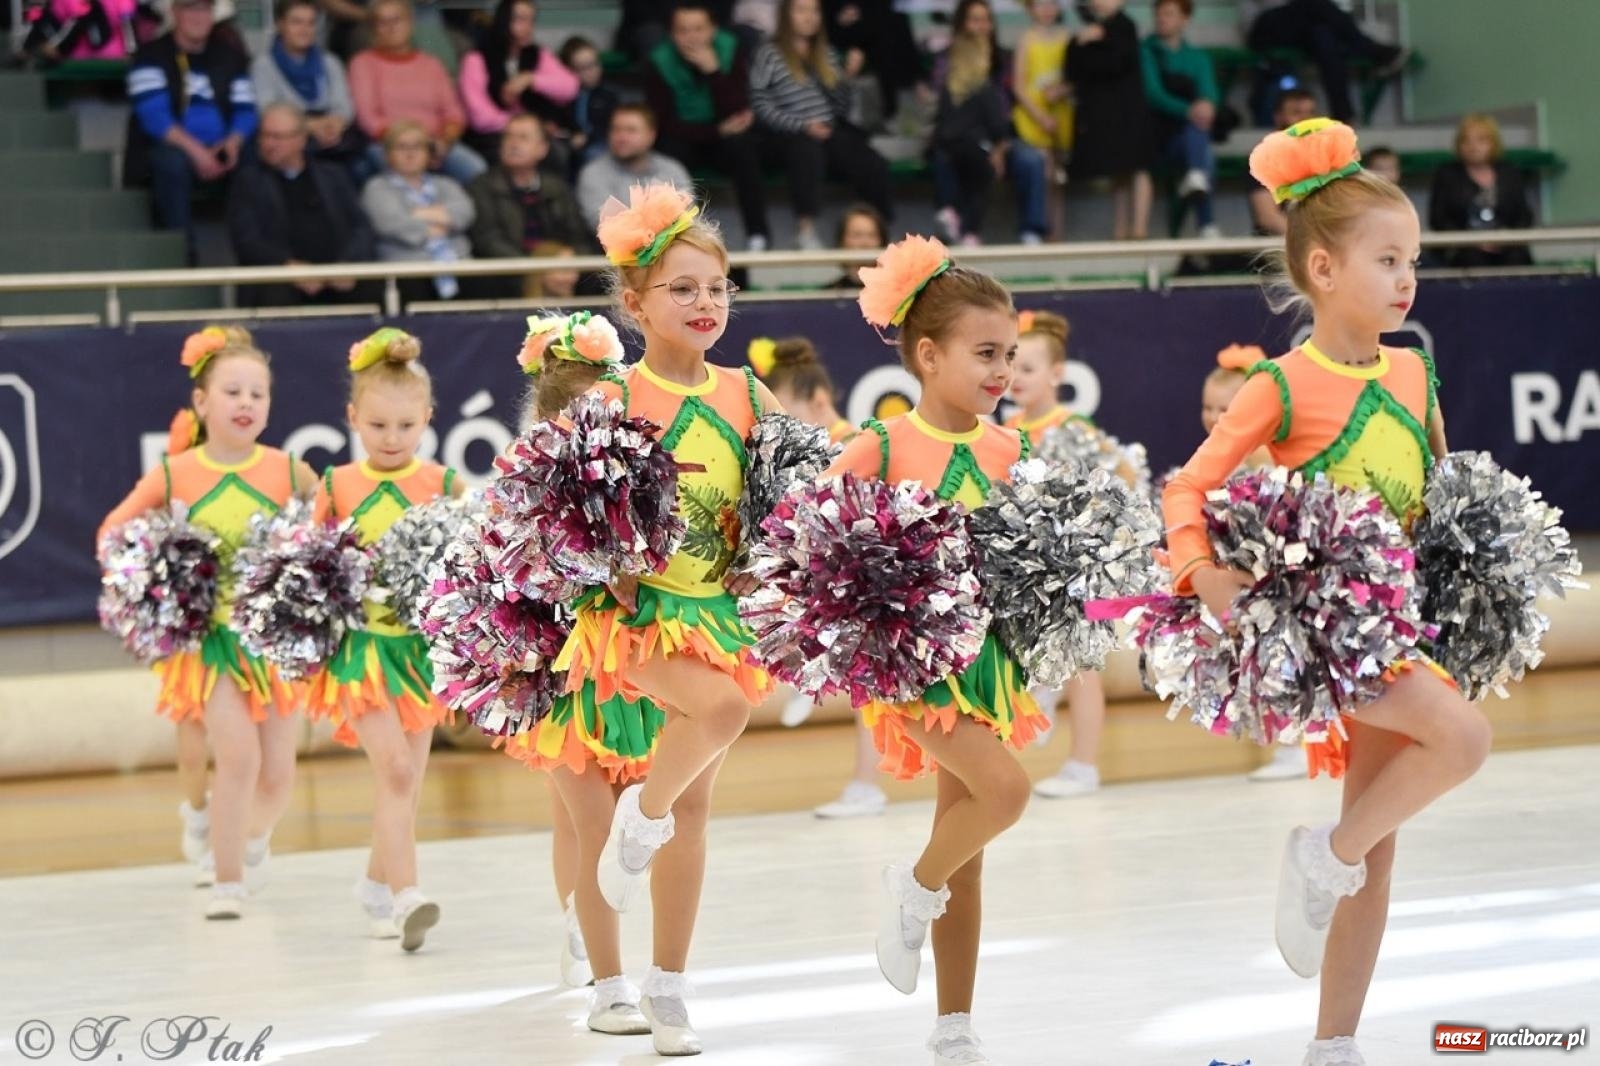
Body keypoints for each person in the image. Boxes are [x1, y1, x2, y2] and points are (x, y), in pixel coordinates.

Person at [1165, 118, 1491, 1066]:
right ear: (1321, 271)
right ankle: (1323, 853)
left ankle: (1333, 1043)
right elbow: (1189, 485)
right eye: (1388, 259)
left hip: (1404, 619)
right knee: (1462, 739)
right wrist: (1202, 573)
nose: (1407, 279)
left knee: (1380, 845)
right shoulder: (1280, 385)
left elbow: (1441, 494)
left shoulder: (1414, 370)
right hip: (1329, 630)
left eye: (1413, 260)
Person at [559, 182, 783, 1055]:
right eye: (681, 289)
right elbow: (559, 511)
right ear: (634, 303)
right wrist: (607, 565)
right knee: (707, 723)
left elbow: (784, 507)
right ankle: (609, 978)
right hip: (626, 617)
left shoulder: (749, 398)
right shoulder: (611, 396)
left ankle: (670, 988)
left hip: (714, 615)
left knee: (694, 814)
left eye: (717, 288)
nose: (704, 304)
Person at [829, 234, 1046, 1065]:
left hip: (987, 665)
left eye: (1011, 355)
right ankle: (912, 887)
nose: (1003, 372)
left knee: (973, 839)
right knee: (1007, 792)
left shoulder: (1011, 451)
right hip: (910, 669)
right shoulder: (879, 448)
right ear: (928, 354)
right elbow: (809, 547)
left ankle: (954, 1025)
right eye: (985, 353)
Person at [100, 327, 315, 920]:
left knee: (278, 777)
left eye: (258, 393)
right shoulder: (174, 475)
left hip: (272, 642)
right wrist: (149, 578)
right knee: (238, 757)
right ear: (201, 402)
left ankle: (248, 843)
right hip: (210, 643)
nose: (246, 403)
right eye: (232, 391)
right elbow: (112, 533)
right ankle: (226, 881)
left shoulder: (288, 471)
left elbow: (329, 537)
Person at [501, 311, 669, 1034]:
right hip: (563, 690)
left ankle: (582, 924)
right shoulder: (521, 499)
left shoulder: (643, 486)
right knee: (591, 824)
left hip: (635, 682)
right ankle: (610, 986)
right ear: (549, 425)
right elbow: (500, 598)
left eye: (609, 414)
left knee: (614, 829)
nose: (598, 432)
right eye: (582, 418)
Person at [310, 328, 460, 951]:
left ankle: (375, 885)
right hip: (364, 653)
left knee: (407, 783)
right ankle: (407, 898)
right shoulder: (335, 484)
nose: (391, 439)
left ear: (428, 417)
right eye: (377, 426)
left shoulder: (445, 485)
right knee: (396, 773)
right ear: (352, 418)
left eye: (405, 426)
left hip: (420, 654)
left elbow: (467, 565)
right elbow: (309, 569)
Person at [1002, 309, 1110, 799]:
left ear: (1057, 373)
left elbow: (1105, 493)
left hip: (1079, 565)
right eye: (1010, 365)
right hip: (1033, 568)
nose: (1016, 377)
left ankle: (1084, 764)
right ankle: (1038, 700)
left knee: (1084, 664)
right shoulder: (1010, 431)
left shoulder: (1074, 428)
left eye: (1028, 368)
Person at [748, 0, 893, 248]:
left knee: (871, 160)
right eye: (801, 10)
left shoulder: (827, 53)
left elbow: (840, 108)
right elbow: (759, 103)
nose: (809, 17)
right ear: (787, 15)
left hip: (827, 130)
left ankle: (881, 230)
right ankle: (805, 230)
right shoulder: (768, 52)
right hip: (786, 134)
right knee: (805, 149)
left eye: (814, 11)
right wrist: (801, 125)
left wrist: (847, 79)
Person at [124, 0, 257, 261]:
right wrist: (198, 152)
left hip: (221, 148)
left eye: (204, 9)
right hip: (174, 151)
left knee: (254, 157)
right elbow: (154, 118)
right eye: (190, 8)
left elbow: (246, 109)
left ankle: (255, 255)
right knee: (169, 161)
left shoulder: (230, 56)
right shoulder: (150, 55)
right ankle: (181, 256)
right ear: (174, 13)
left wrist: (232, 143)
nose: (198, 16)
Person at [643, 2, 772, 250]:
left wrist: (713, 71)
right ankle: (677, 237)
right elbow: (663, 124)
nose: (691, 37)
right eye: (683, 30)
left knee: (744, 146)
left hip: (725, 140)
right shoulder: (659, 61)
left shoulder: (730, 49)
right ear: (671, 34)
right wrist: (715, 131)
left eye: (699, 29)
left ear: (713, 30)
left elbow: (737, 111)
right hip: (684, 138)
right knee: (669, 151)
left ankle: (758, 234)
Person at [227, 103, 375, 308]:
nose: (269, 144)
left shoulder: (333, 175)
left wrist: (348, 264)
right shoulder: (248, 181)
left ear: (301, 139)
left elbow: (361, 228)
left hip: (336, 275)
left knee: (373, 290)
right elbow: (247, 240)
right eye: (264, 136)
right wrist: (287, 266)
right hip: (281, 277)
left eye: (278, 137)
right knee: (275, 294)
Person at [349, 0, 487, 185]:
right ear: (373, 29)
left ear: (410, 22)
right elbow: (368, 118)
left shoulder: (431, 64)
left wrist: (443, 141)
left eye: (397, 20)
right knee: (406, 172)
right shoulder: (363, 63)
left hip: (437, 143)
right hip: (389, 144)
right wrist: (415, 144)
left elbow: (453, 112)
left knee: (477, 170)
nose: (391, 27)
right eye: (382, 22)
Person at [466, 114, 589, 297]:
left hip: (559, 269)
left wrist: (568, 258)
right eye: (508, 137)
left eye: (523, 137)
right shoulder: (482, 187)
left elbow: (580, 236)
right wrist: (538, 269)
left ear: (542, 149)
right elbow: (488, 241)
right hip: (510, 274)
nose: (513, 144)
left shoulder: (557, 187)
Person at [1067, 0, 1154, 240]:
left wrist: (1098, 40)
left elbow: (1117, 62)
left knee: (1138, 168)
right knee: (1118, 171)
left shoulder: (1125, 26)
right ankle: (1119, 230)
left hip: (1130, 110)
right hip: (1106, 113)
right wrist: (1082, 42)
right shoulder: (1089, 29)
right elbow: (1074, 68)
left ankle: (1139, 228)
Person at [362, 120, 477, 302]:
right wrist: (440, 220)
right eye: (401, 147)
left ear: (428, 153)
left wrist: (416, 214)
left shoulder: (446, 184)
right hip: (407, 271)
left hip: (458, 264)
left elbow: (465, 213)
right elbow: (392, 224)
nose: (410, 153)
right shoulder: (377, 187)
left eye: (418, 146)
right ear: (386, 155)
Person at [458, 0, 580, 163]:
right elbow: (480, 118)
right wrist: (528, 127)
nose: (528, 26)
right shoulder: (476, 59)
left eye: (532, 20)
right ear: (504, 21)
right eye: (521, 19)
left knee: (560, 151)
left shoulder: (537, 54)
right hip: (493, 136)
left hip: (534, 131)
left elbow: (570, 87)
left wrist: (531, 79)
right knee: (551, 153)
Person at [251, 0, 364, 173]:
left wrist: (333, 125)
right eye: (296, 22)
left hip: (333, 133)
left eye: (310, 23)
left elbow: (344, 106)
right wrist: (312, 126)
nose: (304, 30)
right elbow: (266, 109)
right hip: (289, 134)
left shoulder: (330, 62)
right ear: (280, 25)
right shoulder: (264, 65)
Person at [1142, 0, 1221, 237]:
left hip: (1189, 135)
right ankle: (1206, 224)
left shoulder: (1197, 57)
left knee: (1199, 142)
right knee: (1202, 150)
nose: (1161, 18)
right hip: (1156, 135)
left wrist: (1207, 107)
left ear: (1185, 19)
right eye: (1158, 14)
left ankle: (1197, 182)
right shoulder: (1146, 51)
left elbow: (1210, 95)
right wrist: (1190, 111)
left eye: (1169, 14)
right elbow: (1153, 94)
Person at [1428, 114, 1535, 268]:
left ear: (1493, 143)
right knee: (1470, 260)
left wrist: (1506, 238)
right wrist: (1471, 240)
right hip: (1463, 247)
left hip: (1506, 244)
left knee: (1517, 259)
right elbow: (1439, 219)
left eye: (1481, 140)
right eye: (1466, 140)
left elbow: (1524, 215)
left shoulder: (1510, 173)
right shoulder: (1447, 175)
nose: (1473, 147)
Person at [575, 104, 694, 230]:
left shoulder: (672, 170)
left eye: (631, 130)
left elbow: (686, 217)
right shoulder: (593, 173)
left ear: (651, 135)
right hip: (611, 249)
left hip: (670, 248)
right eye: (616, 129)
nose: (622, 137)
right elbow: (605, 225)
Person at [1011, 0, 1073, 237]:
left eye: (1052, 3)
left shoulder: (1066, 38)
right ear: (1030, 8)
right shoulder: (1026, 40)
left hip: (1061, 116)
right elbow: (1019, 86)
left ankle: (1056, 235)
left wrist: (1062, 90)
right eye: (1040, 4)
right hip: (1034, 119)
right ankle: (1042, 231)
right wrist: (1040, 116)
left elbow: (1075, 76)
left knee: (1059, 178)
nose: (1046, 9)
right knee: (1044, 174)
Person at [1247, 87, 1317, 237]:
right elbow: (1268, 218)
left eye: (1310, 113)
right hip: (1277, 248)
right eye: (1297, 113)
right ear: (1278, 117)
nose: (1306, 121)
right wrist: (1308, 242)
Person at [827, 203, 887, 290]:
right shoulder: (827, 295)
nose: (865, 243)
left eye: (872, 235)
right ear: (842, 242)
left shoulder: (897, 294)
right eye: (857, 235)